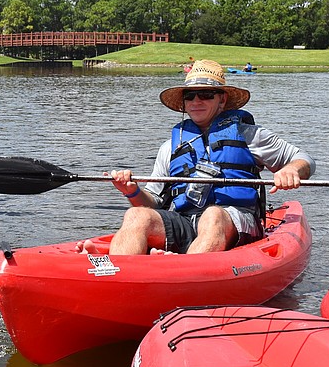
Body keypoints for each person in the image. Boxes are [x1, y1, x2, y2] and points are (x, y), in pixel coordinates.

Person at [78, 60, 314, 256]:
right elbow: (154, 203)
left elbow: (304, 159)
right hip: (185, 220)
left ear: (222, 99)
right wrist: (131, 191)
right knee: (136, 215)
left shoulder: (250, 135)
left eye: (206, 94)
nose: (196, 101)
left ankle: (178, 272)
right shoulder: (170, 147)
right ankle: (116, 272)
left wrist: (292, 170)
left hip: (235, 221)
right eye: (190, 96)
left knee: (212, 216)